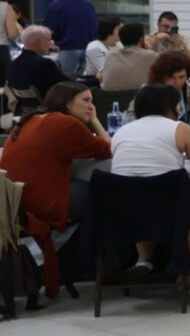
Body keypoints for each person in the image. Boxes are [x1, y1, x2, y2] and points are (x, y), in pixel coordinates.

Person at [0, 81, 111, 301]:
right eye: (86, 101)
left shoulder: (30, 120)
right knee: (102, 191)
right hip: (41, 203)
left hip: (14, 202)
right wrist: (96, 121)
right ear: (68, 103)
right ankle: (104, 262)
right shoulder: (65, 124)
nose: (91, 106)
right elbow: (107, 148)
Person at [109, 84, 190, 273]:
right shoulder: (180, 129)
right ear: (172, 106)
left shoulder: (120, 133)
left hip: (121, 211)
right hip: (170, 210)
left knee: (140, 187)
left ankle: (144, 260)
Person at [43, 0, 97, 76]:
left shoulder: (56, 6)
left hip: (67, 47)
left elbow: (48, 30)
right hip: (89, 47)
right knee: (87, 79)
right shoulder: (88, 5)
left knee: (64, 79)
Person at [7, 26, 63, 103]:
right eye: (48, 40)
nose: (51, 43)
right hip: (47, 105)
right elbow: (63, 83)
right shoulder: (44, 64)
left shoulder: (12, 65)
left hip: (25, 106)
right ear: (38, 42)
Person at [98, 23, 159, 91]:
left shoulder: (110, 54)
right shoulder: (150, 56)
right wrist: (151, 49)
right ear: (142, 39)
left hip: (108, 95)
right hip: (137, 96)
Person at [148, 47, 190, 119]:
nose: (177, 82)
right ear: (162, 77)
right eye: (172, 78)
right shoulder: (152, 94)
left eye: (181, 77)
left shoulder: (187, 88)